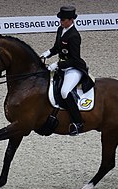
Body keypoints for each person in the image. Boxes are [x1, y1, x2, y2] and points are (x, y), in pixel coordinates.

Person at [40, 6, 94, 136]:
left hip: (73, 68)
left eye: (63, 20)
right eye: (60, 19)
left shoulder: (74, 36)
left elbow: (75, 59)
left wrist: (57, 64)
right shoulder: (61, 30)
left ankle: (78, 122)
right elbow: (57, 47)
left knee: (65, 92)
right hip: (62, 66)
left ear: (71, 20)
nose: (61, 22)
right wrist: (47, 53)